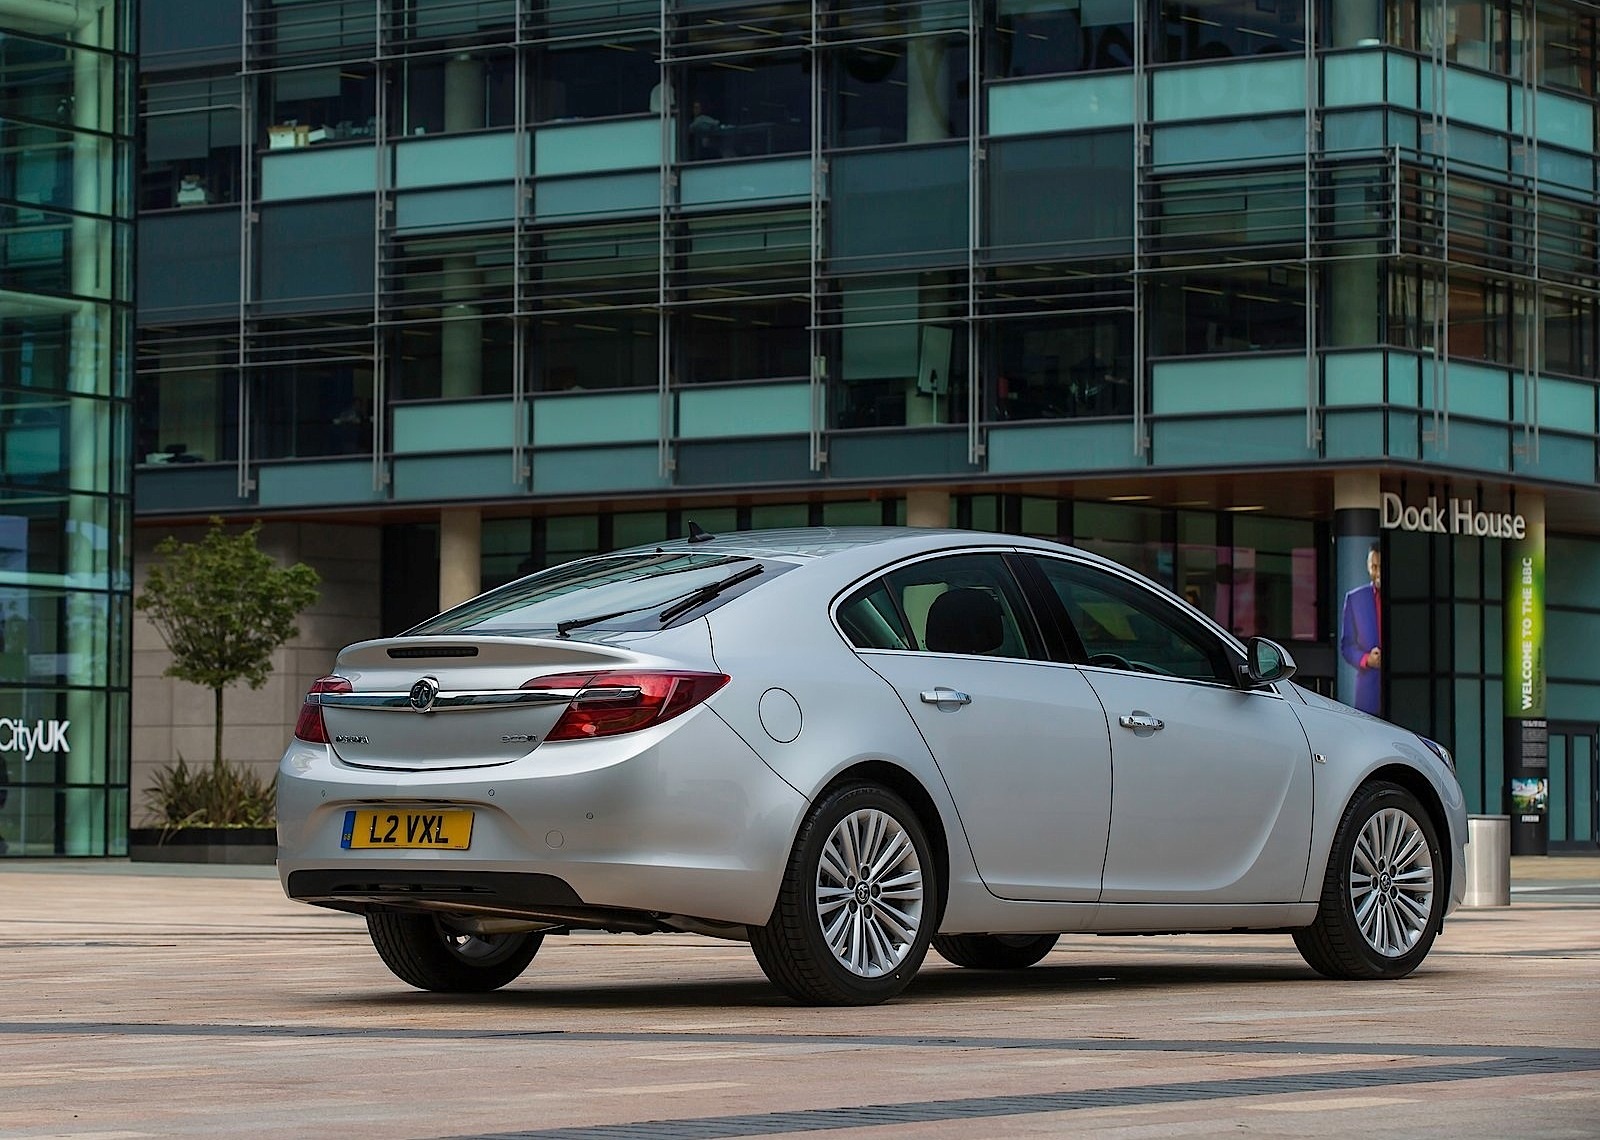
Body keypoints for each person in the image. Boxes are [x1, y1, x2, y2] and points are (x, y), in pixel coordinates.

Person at [1340, 542, 1382, 714]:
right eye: (1373, 567)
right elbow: (1346, 646)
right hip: (1369, 694)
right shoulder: (1355, 599)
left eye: (1381, 567)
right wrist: (1367, 659)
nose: (1377, 573)